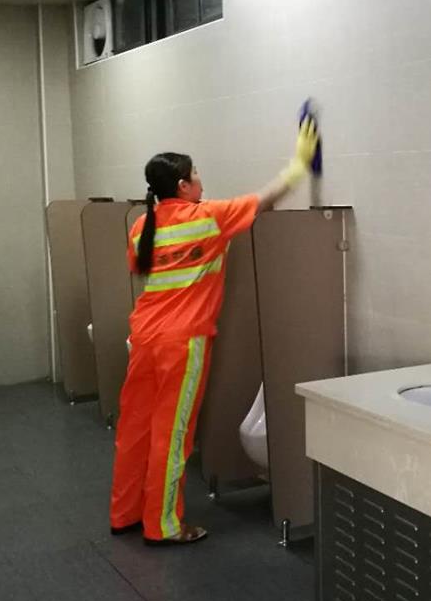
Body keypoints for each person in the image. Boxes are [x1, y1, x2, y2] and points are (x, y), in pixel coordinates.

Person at [109, 115, 319, 544]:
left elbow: (141, 269)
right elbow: (264, 200)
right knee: (172, 434)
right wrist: (299, 164)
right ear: (183, 186)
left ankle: (124, 513)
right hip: (182, 343)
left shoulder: (140, 228)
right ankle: (164, 526)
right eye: (196, 174)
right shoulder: (207, 218)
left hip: (143, 338)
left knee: (135, 430)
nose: (201, 180)